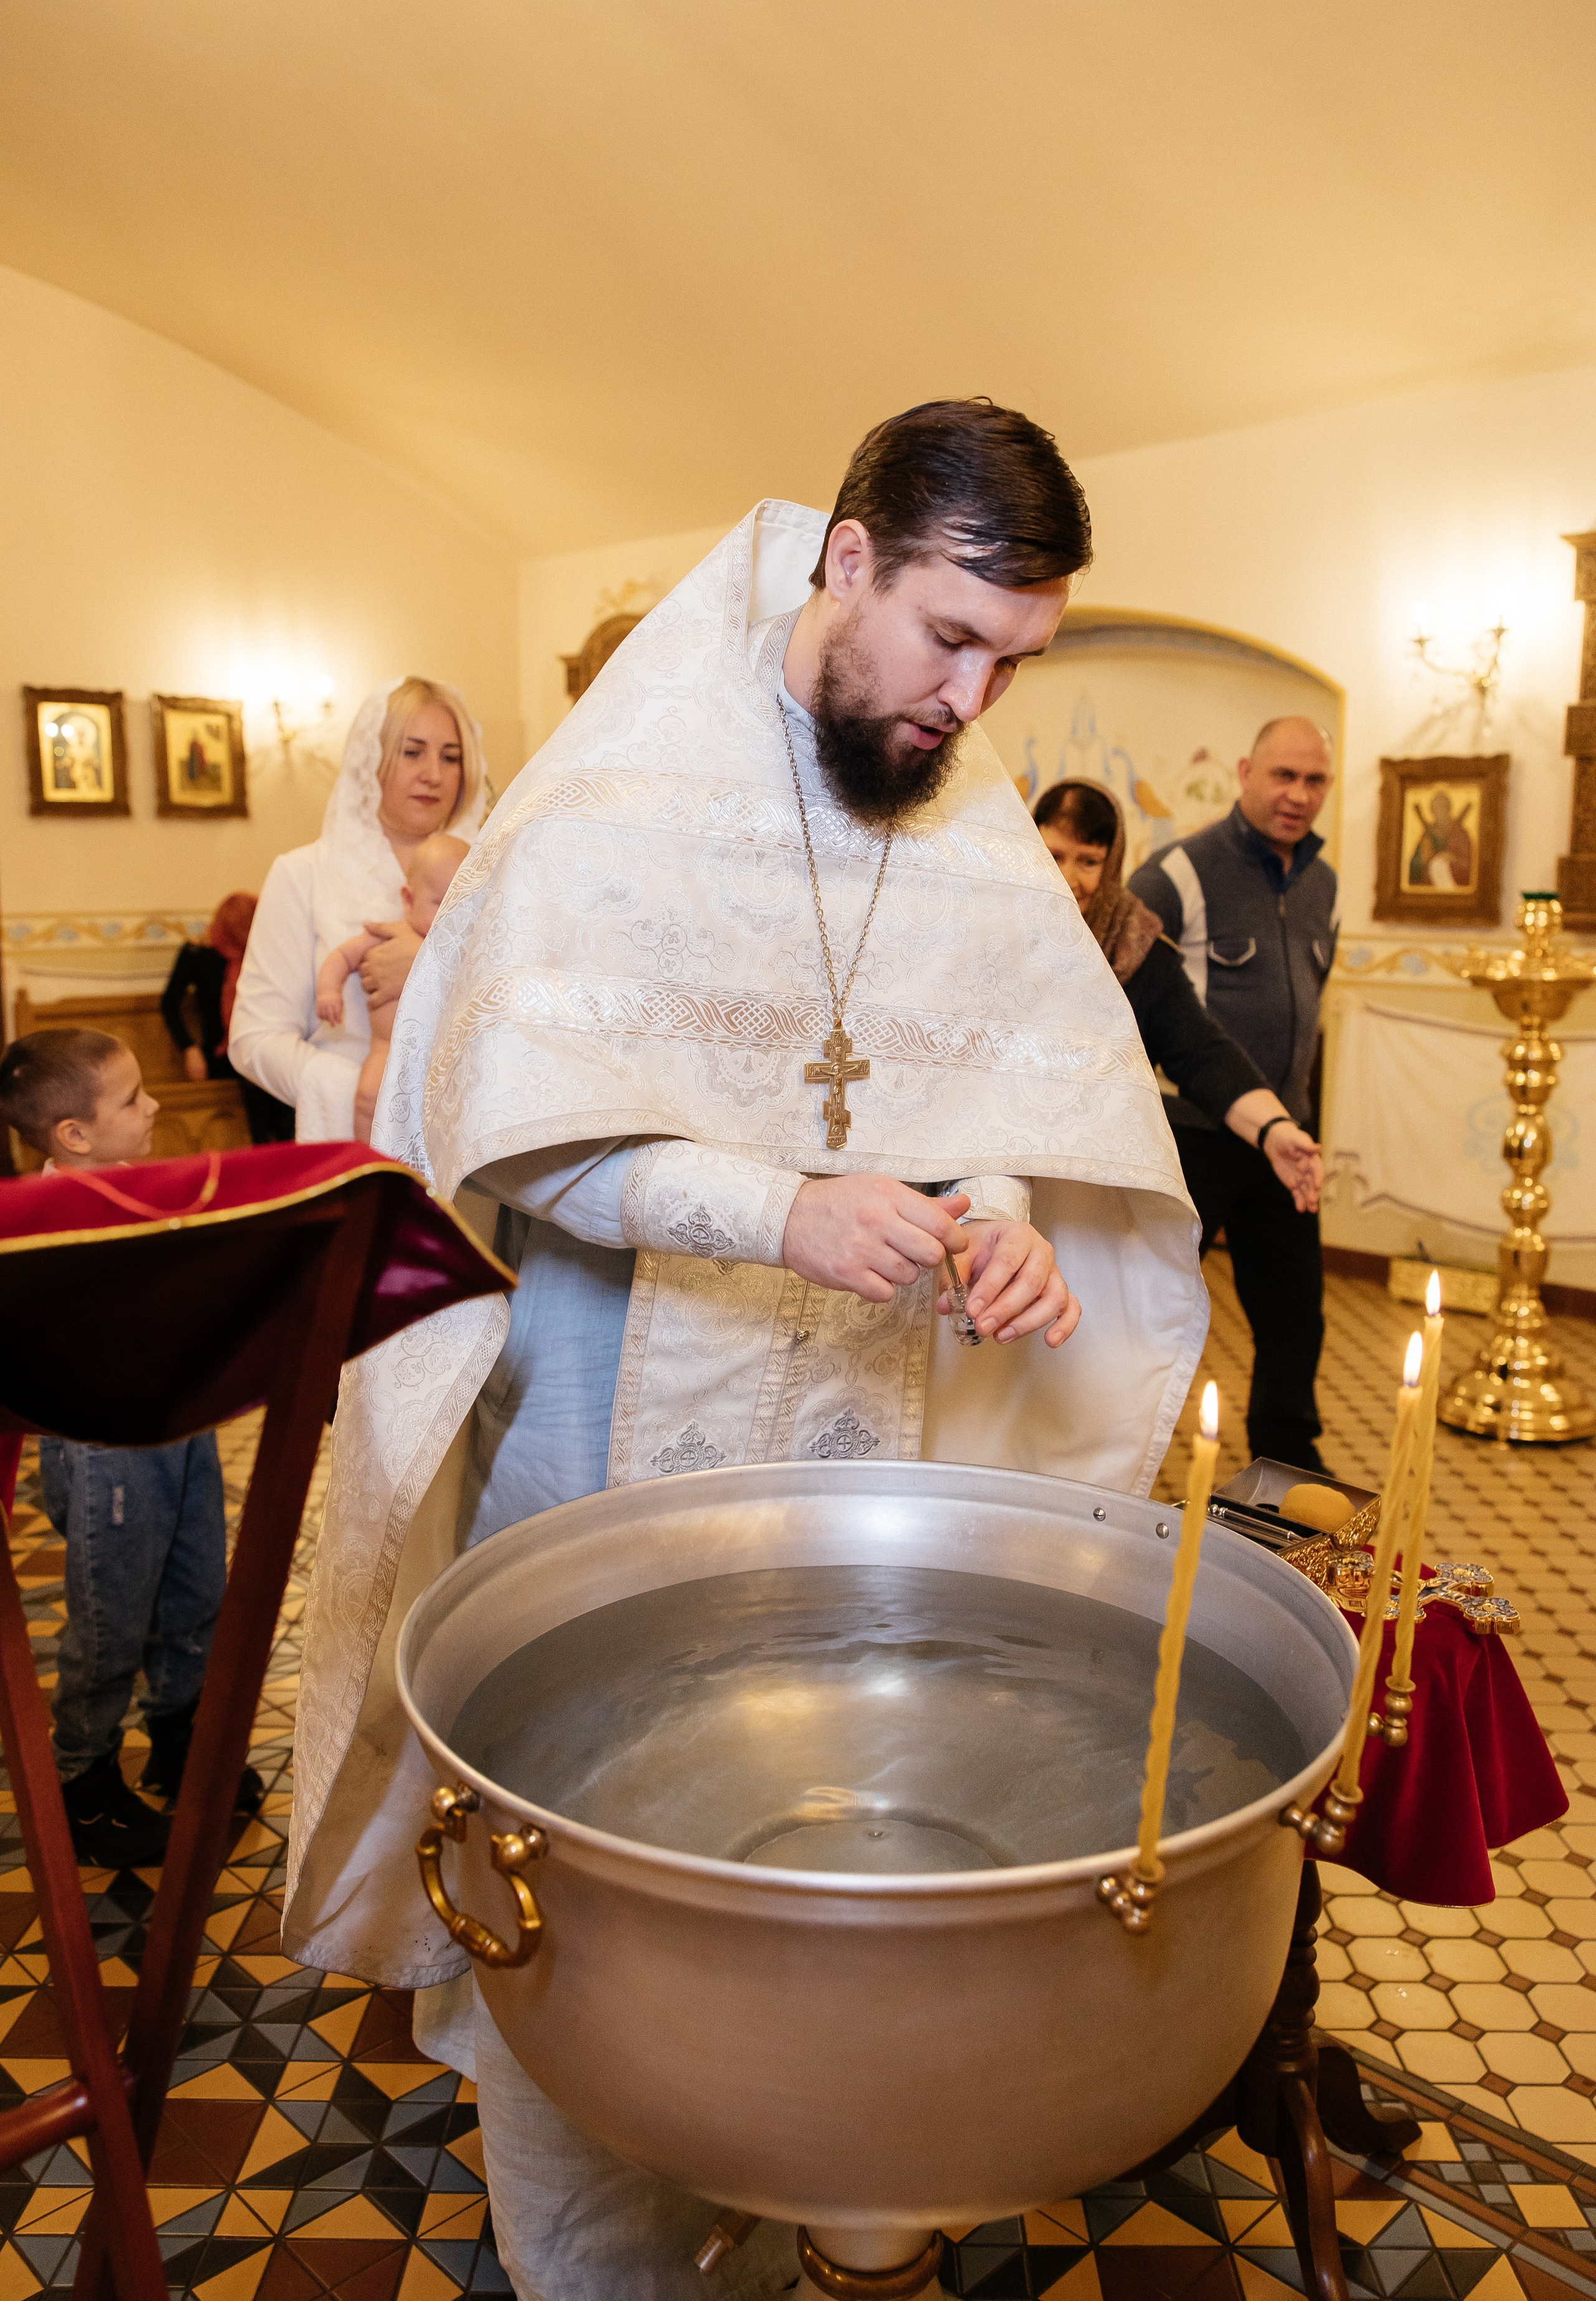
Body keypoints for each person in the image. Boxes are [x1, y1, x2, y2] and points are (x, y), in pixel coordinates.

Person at [281, 400, 1211, 2301]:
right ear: (847, 558)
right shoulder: (619, 798)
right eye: (951, 637)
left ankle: (805, 2192)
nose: (970, 701)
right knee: (593, 1881)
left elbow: (994, 1066)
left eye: (1011, 663)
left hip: (859, 1432)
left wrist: (1006, 1204)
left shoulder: (946, 799)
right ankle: (591, 2266)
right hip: (605, 1427)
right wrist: (780, 1210)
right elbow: (508, 1131)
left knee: (814, 1858)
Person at [0, 1028, 262, 1868]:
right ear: (73, 1134)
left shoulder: (143, 1190)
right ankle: (84, 1779)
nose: (153, 1108)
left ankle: (183, 1738)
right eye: (132, 1100)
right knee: (113, 1616)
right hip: (105, 1448)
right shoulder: (45, 1227)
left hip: (182, 1427)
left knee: (196, 1589)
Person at [1127, 716, 1339, 1472]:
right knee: (1153, 1309)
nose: (1298, 795)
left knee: (1293, 1318)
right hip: (1193, 1135)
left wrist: (1289, 1120)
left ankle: (1287, 1471)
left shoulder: (1323, 884)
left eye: (1315, 780)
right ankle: (1124, 1457)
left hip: (1283, 1140)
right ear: (1246, 772)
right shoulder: (1175, 873)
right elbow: (1133, 1000)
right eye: (1283, 776)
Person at [1032, 780, 1323, 1210]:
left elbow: (1201, 1051)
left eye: (1089, 861)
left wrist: (1273, 1129)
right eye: (1053, 855)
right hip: (1009, 1170)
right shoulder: (995, 937)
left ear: (1112, 864)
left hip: (1097, 1178)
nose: (1068, 878)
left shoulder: (1139, 950)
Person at [228, 677, 486, 1142]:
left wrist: (436, 968)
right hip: (355, 1121)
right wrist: (363, 1092)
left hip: (473, 1123)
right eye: (413, 752)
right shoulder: (303, 874)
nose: (434, 773)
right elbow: (254, 1040)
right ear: (372, 759)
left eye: (451, 757)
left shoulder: (494, 875)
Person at [314, 832, 470, 1142]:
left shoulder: (464, 949)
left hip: (442, 1051)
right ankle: (368, 1163)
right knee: (369, 1099)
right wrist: (328, 990)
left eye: (463, 906)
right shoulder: (388, 934)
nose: (452, 917)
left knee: (444, 1116)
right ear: (409, 899)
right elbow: (344, 956)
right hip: (387, 1046)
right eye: (441, 903)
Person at [160, 892, 295, 1144]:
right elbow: (170, 1004)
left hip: (264, 1045)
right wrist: (189, 1048)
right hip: (222, 1052)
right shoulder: (198, 953)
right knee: (255, 1066)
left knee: (272, 1064)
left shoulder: (265, 952)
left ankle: (280, 1146)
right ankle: (267, 1146)